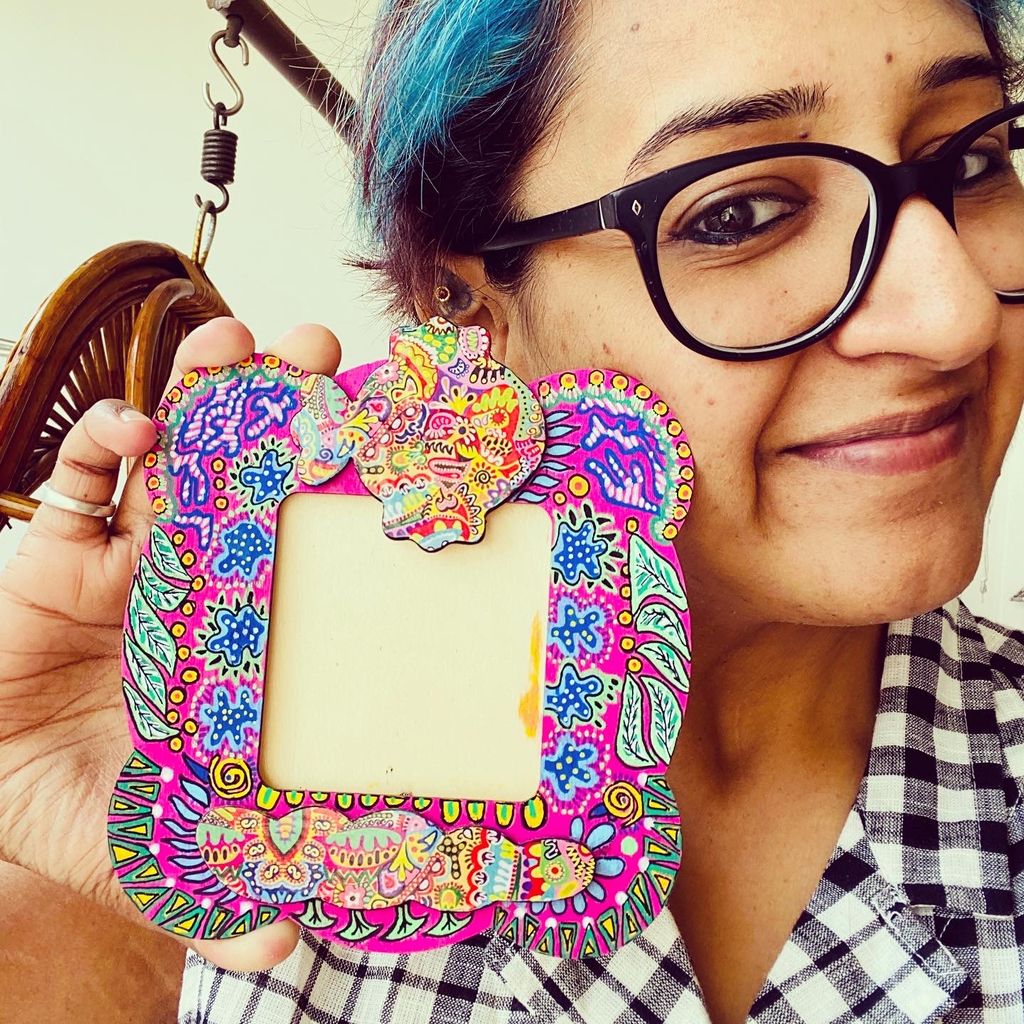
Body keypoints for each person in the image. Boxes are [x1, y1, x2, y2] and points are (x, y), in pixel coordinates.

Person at [2, 0, 1023, 1021]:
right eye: (738, 213)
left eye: (972, 161)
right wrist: (50, 803)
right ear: (470, 309)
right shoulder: (233, 823)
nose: (955, 314)